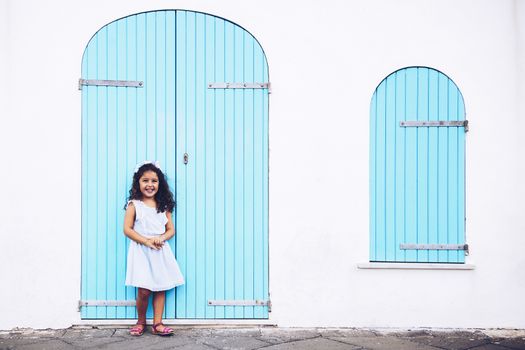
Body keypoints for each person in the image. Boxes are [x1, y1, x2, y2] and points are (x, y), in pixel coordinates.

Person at [123, 161, 184, 336]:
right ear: (138, 183)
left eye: (154, 181)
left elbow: (170, 229)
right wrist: (146, 241)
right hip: (141, 250)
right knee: (144, 289)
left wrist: (161, 238)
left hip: (160, 250)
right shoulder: (134, 205)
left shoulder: (163, 206)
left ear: (160, 183)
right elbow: (127, 229)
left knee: (160, 286)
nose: (150, 185)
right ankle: (141, 320)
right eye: (145, 180)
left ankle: (158, 323)